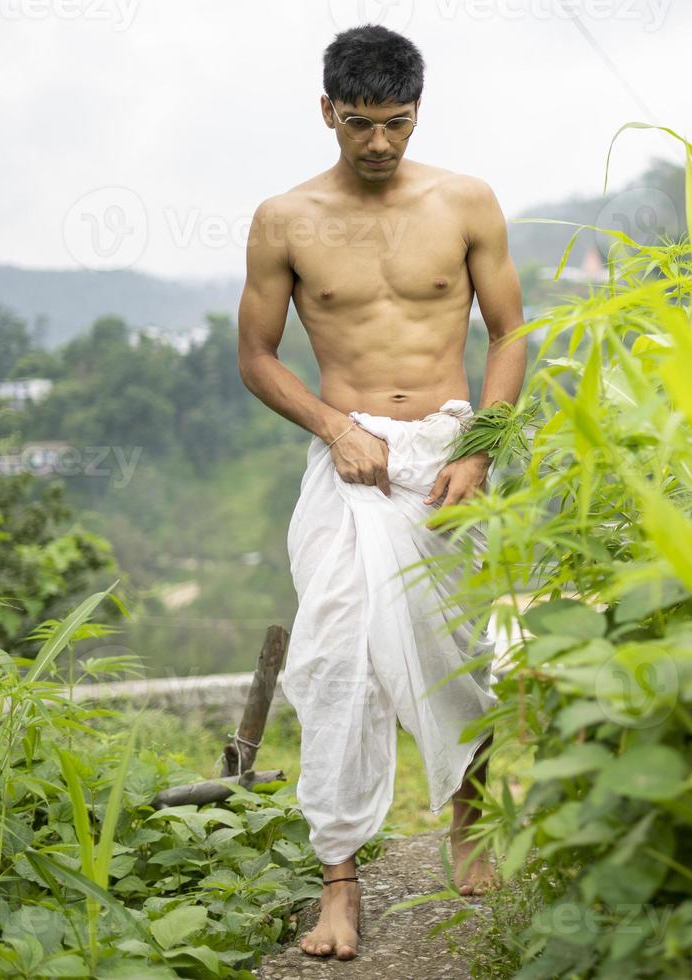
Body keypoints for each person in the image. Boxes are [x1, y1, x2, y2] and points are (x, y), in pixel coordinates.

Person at [235, 23, 526, 961]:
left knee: (457, 643)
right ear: (327, 111)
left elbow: (510, 334)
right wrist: (335, 427)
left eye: (395, 123)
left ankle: (470, 820)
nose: (377, 144)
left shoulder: (466, 200)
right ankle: (340, 884)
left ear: (417, 112)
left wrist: (481, 450)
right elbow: (256, 356)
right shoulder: (285, 219)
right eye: (358, 123)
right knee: (336, 660)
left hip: (447, 453)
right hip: (347, 461)